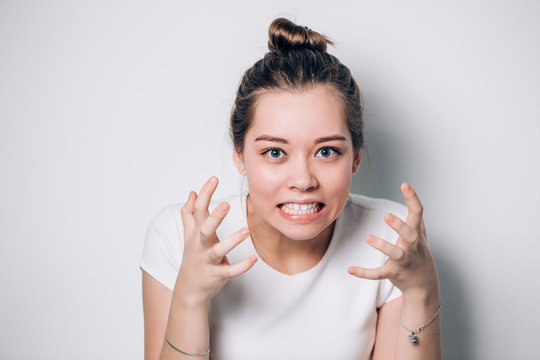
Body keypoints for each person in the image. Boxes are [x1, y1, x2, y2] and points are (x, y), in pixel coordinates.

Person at [141, 17, 442, 360]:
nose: (302, 180)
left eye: (326, 151)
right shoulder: (178, 237)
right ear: (240, 155)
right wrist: (190, 297)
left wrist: (421, 291)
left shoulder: (393, 237)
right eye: (275, 152)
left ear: (355, 158)